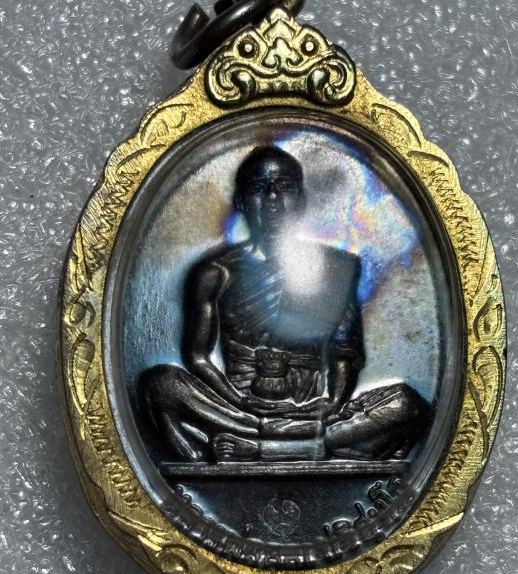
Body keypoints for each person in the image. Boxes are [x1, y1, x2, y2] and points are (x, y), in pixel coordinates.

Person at [139, 145, 430, 463]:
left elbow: (344, 353)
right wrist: (239, 401)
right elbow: (197, 356)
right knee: (160, 385)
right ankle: (306, 445)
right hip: (239, 410)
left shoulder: (335, 267)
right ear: (241, 201)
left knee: (406, 404)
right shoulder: (215, 273)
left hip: (313, 411)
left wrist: (332, 403)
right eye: (258, 188)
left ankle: (258, 448)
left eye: (284, 187)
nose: (273, 199)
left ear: (301, 200)